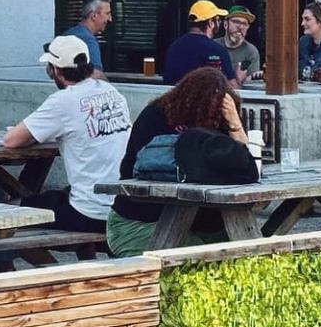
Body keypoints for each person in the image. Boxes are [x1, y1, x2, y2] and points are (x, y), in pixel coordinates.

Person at [107, 66, 249, 257]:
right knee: (204, 259)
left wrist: (234, 123)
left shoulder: (221, 119)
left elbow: (247, 165)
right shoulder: (156, 117)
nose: (210, 119)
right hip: (143, 221)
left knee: (244, 251)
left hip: (201, 223)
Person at [3, 34, 132, 231]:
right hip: (121, 207)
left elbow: (12, 140)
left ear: (54, 70)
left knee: (8, 210)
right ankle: (3, 263)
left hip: (89, 212)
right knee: (52, 196)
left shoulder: (63, 100)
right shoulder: (112, 92)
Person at [161, 0, 236, 84]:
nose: (219, 23)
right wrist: (239, 79)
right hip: (205, 97)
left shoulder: (173, 48)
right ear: (211, 22)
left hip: (177, 97)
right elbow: (232, 88)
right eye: (218, 20)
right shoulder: (217, 50)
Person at [64, 0, 111, 75]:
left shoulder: (67, 34)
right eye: (107, 13)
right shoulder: (89, 41)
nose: (110, 19)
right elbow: (96, 75)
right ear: (94, 16)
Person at [222, 6, 261, 85]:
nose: (240, 27)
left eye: (245, 24)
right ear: (226, 24)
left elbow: (252, 84)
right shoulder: (214, 46)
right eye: (236, 22)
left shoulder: (251, 51)